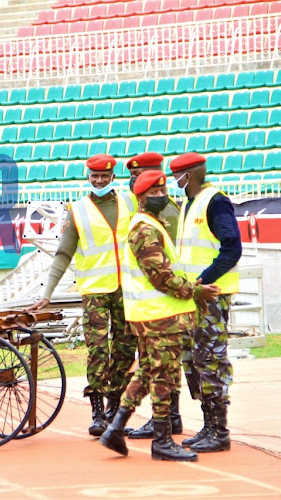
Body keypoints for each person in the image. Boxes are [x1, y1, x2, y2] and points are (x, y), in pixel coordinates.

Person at [100, 170, 220, 461]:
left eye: (162, 191)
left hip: (155, 316)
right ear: (140, 198)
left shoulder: (152, 224)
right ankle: (163, 441)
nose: (160, 196)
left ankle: (115, 428)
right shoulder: (144, 229)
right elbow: (162, 278)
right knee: (163, 377)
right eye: (152, 194)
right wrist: (196, 291)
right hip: (157, 318)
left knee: (147, 372)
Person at [27, 154, 138, 437]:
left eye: (104, 176)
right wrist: (47, 293)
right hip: (95, 291)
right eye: (94, 177)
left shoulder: (129, 202)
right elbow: (63, 253)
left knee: (125, 349)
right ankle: (98, 411)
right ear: (88, 177)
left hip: (128, 289)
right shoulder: (77, 210)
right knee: (98, 350)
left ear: (113, 176)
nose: (99, 181)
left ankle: (115, 407)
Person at [169, 152, 242, 453]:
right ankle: (207, 425)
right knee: (194, 361)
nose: (175, 180)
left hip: (211, 295)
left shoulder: (215, 201)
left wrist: (204, 279)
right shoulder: (188, 204)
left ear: (190, 175)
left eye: (178, 175)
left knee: (211, 361)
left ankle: (219, 430)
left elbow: (232, 248)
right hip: (191, 297)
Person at [125, 151, 184, 440]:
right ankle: (163, 428)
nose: (158, 193)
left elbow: (165, 262)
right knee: (158, 369)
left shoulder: (167, 212)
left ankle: (168, 419)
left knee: (162, 369)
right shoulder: (146, 220)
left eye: (161, 187)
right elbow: (156, 269)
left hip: (167, 304)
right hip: (158, 306)